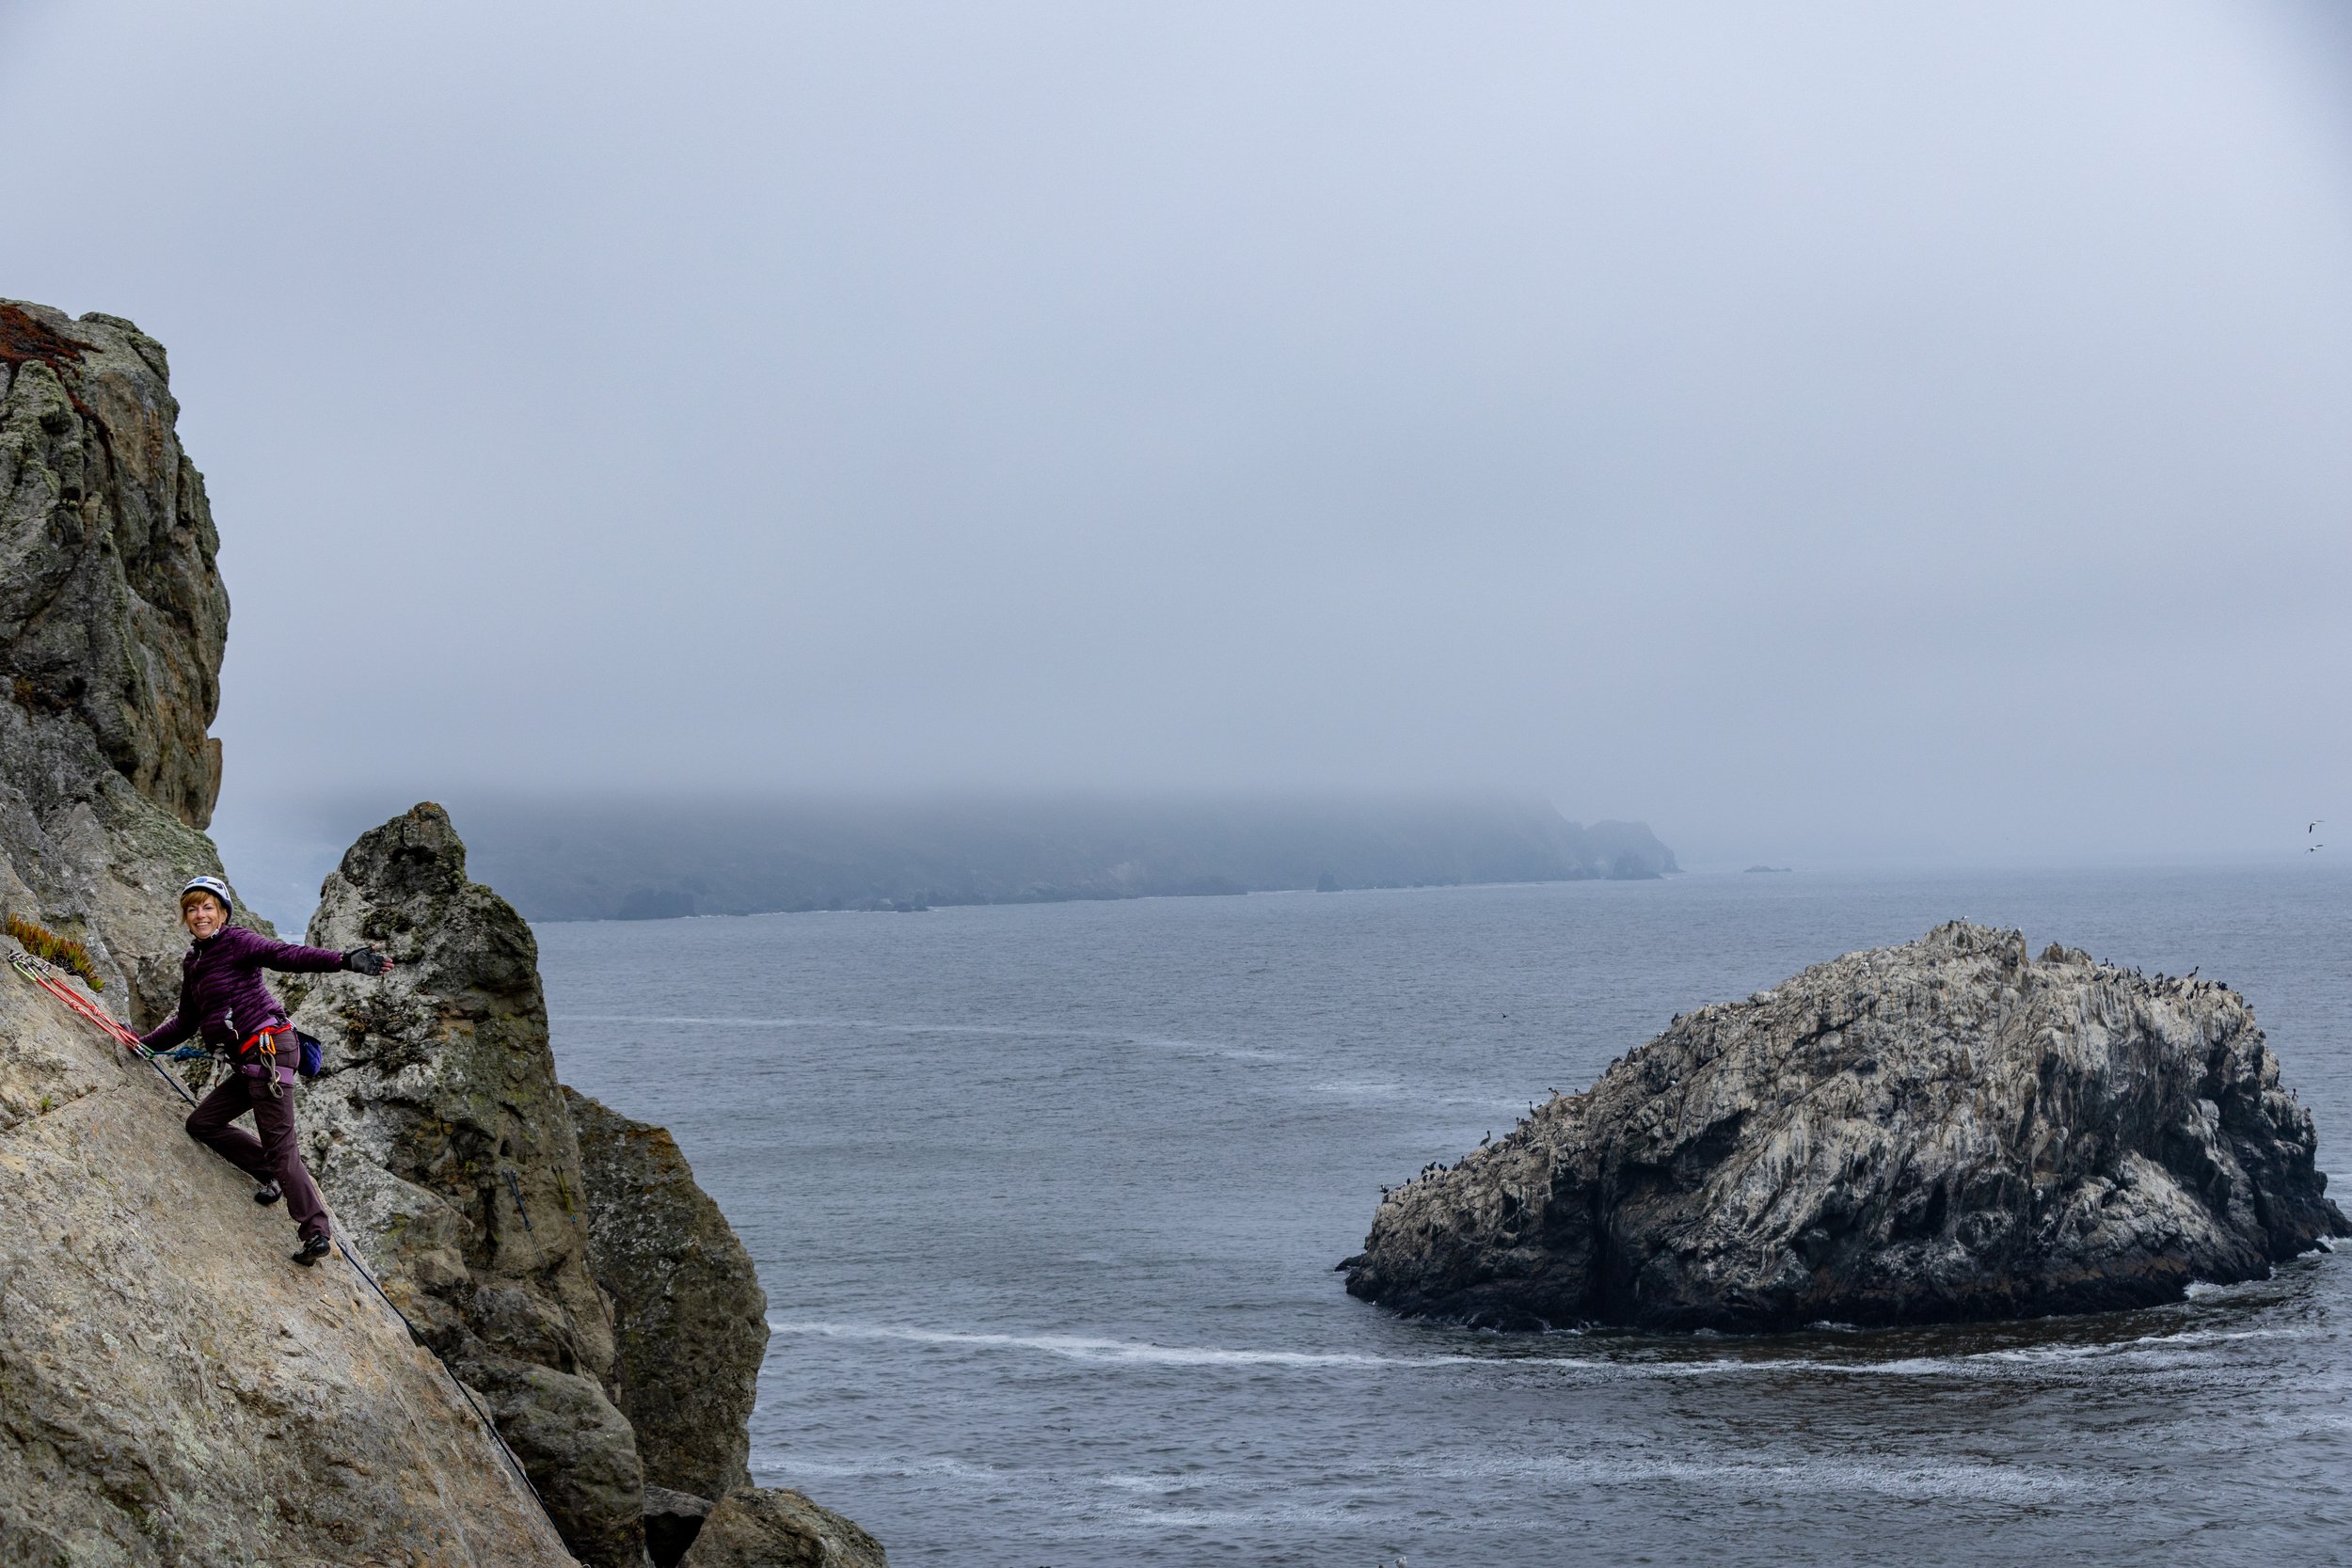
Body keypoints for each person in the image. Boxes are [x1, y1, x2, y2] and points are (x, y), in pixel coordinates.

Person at [137, 875, 394, 1265]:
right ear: (185, 917)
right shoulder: (195, 962)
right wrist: (143, 1043)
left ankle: (316, 1231)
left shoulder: (238, 941)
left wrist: (343, 961)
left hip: (269, 1053)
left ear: (222, 912)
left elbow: (284, 954)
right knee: (202, 1124)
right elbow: (185, 1022)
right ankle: (269, 1173)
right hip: (250, 1063)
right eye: (192, 908)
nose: (200, 914)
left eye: (208, 907)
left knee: (282, 1148)